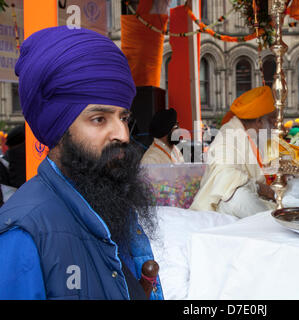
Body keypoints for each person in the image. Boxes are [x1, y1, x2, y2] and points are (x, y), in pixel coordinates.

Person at [0, 26, 162, 300]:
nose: (123, 135)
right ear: (58, 128)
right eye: (99, 119)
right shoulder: (23, 234)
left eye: (123, 117)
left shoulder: (109, 200)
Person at [189, 86, 277, 218]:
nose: (275, 125)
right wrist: (265, 190)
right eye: (272, 120)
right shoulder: (226, 138)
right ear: (259, 121)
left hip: (260, 199)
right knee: (238, 197)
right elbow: (225, 178)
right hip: (222, 205)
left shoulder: (254, 135)